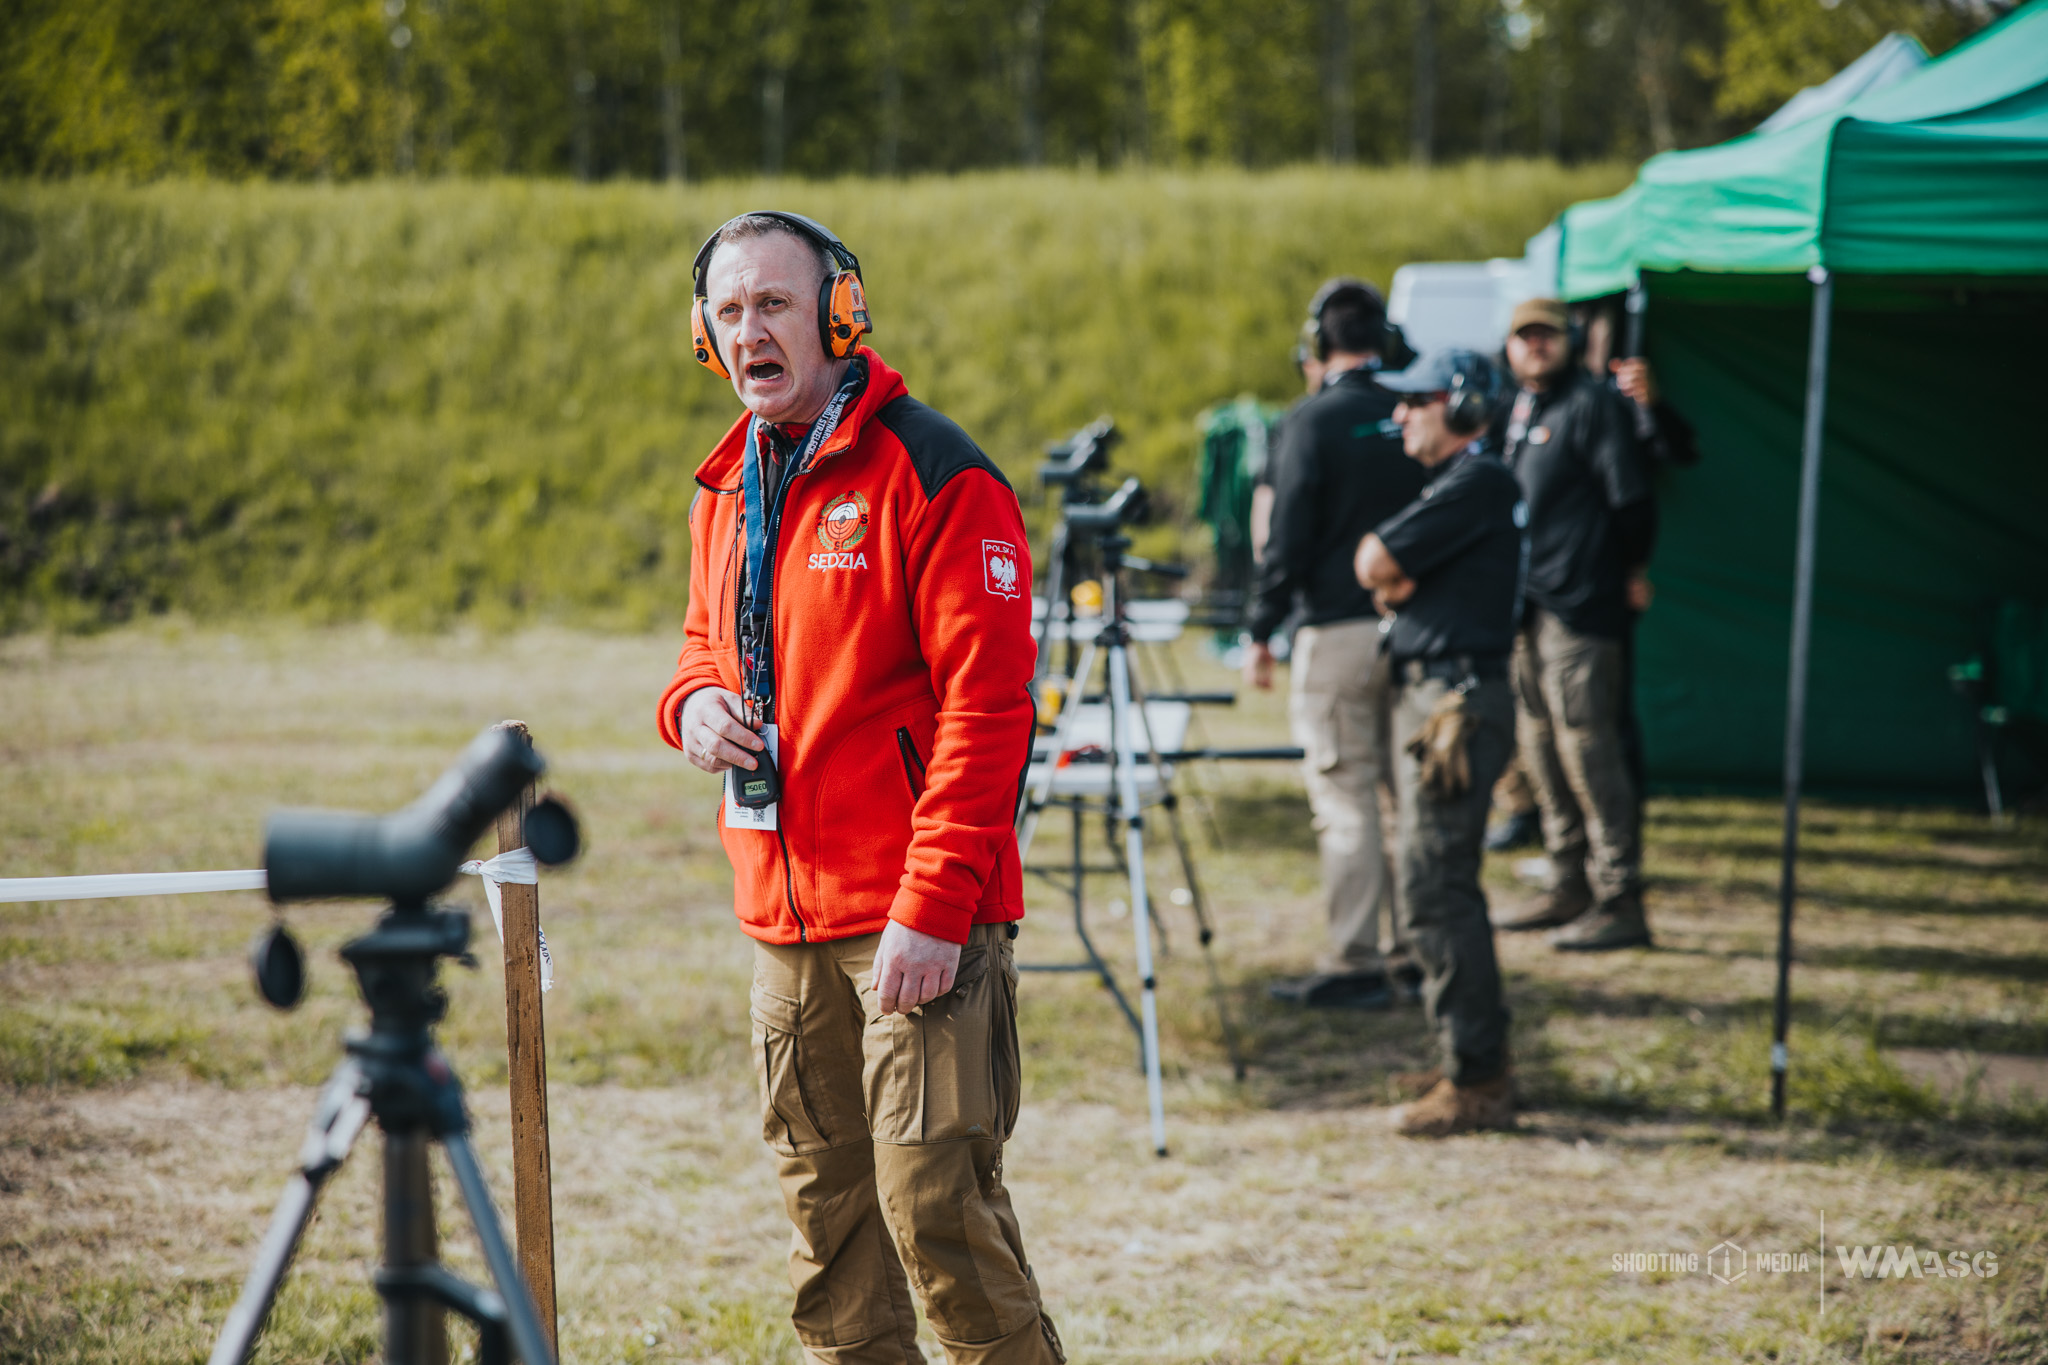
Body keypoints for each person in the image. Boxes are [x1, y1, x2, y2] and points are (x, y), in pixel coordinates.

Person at [657, 211, 1064, 1365]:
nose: (750, 332)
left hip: (915, 922)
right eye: (729, 312)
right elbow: (701, 646)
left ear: (840, 315)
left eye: (774, 305)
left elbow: (990, 711)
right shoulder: (723, 489)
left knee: (940, 1218)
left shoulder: (935, 472)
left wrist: (932, 907)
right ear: (703, 336)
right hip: (784, 925)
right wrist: (691, 705)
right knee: (826, 1231)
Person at [1353, 348, 1526, 1137]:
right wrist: (1394, 580)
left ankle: (1478, 1077)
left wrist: (1393, 577)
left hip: (1453, 701)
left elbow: (1375, 561)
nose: (1398, 415)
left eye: (1414, 400)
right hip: (1443, 694)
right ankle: (1469, 1056)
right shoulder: (1464, 482)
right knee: (1434, 880)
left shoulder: (1477, 480)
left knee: (1437, 885)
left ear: (1460, 406)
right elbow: (1385, 577)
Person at [1242, 278, 1429, 1009]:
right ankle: (1418, 951)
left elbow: (1284, 537)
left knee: (1347, 797)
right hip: (1415, 630)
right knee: (1406, 798)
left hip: (1337, 633)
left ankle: (1356, 961)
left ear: (1320, 343)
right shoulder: (1414, 411)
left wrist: (1262, 626)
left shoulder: (1310, 419)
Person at [1491, 298, 1657, 952]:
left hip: (1581, 608)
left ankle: (1620, 897)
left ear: (1571, 341)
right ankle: (1567, 883)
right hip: (1526, 608)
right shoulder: (1521, 408)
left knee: (1589, 750)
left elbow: (1632, 502)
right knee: (1538, 747)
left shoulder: (1592, 405)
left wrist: (1629, 568)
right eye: (1524, 336)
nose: (1536, 345)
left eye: (1547, 335)